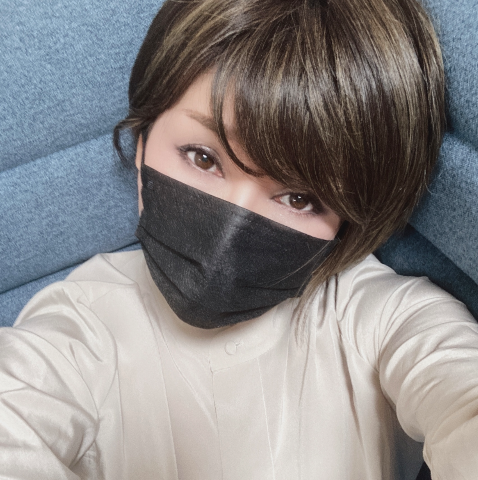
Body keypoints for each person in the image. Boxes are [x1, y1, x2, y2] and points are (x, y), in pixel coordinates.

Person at [1, 0, 477, 479]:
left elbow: (460, 394)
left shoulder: (377, 316)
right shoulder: (86, 318)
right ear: (143, 144)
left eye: (298, 198)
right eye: (203, 158)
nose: (232, 230)